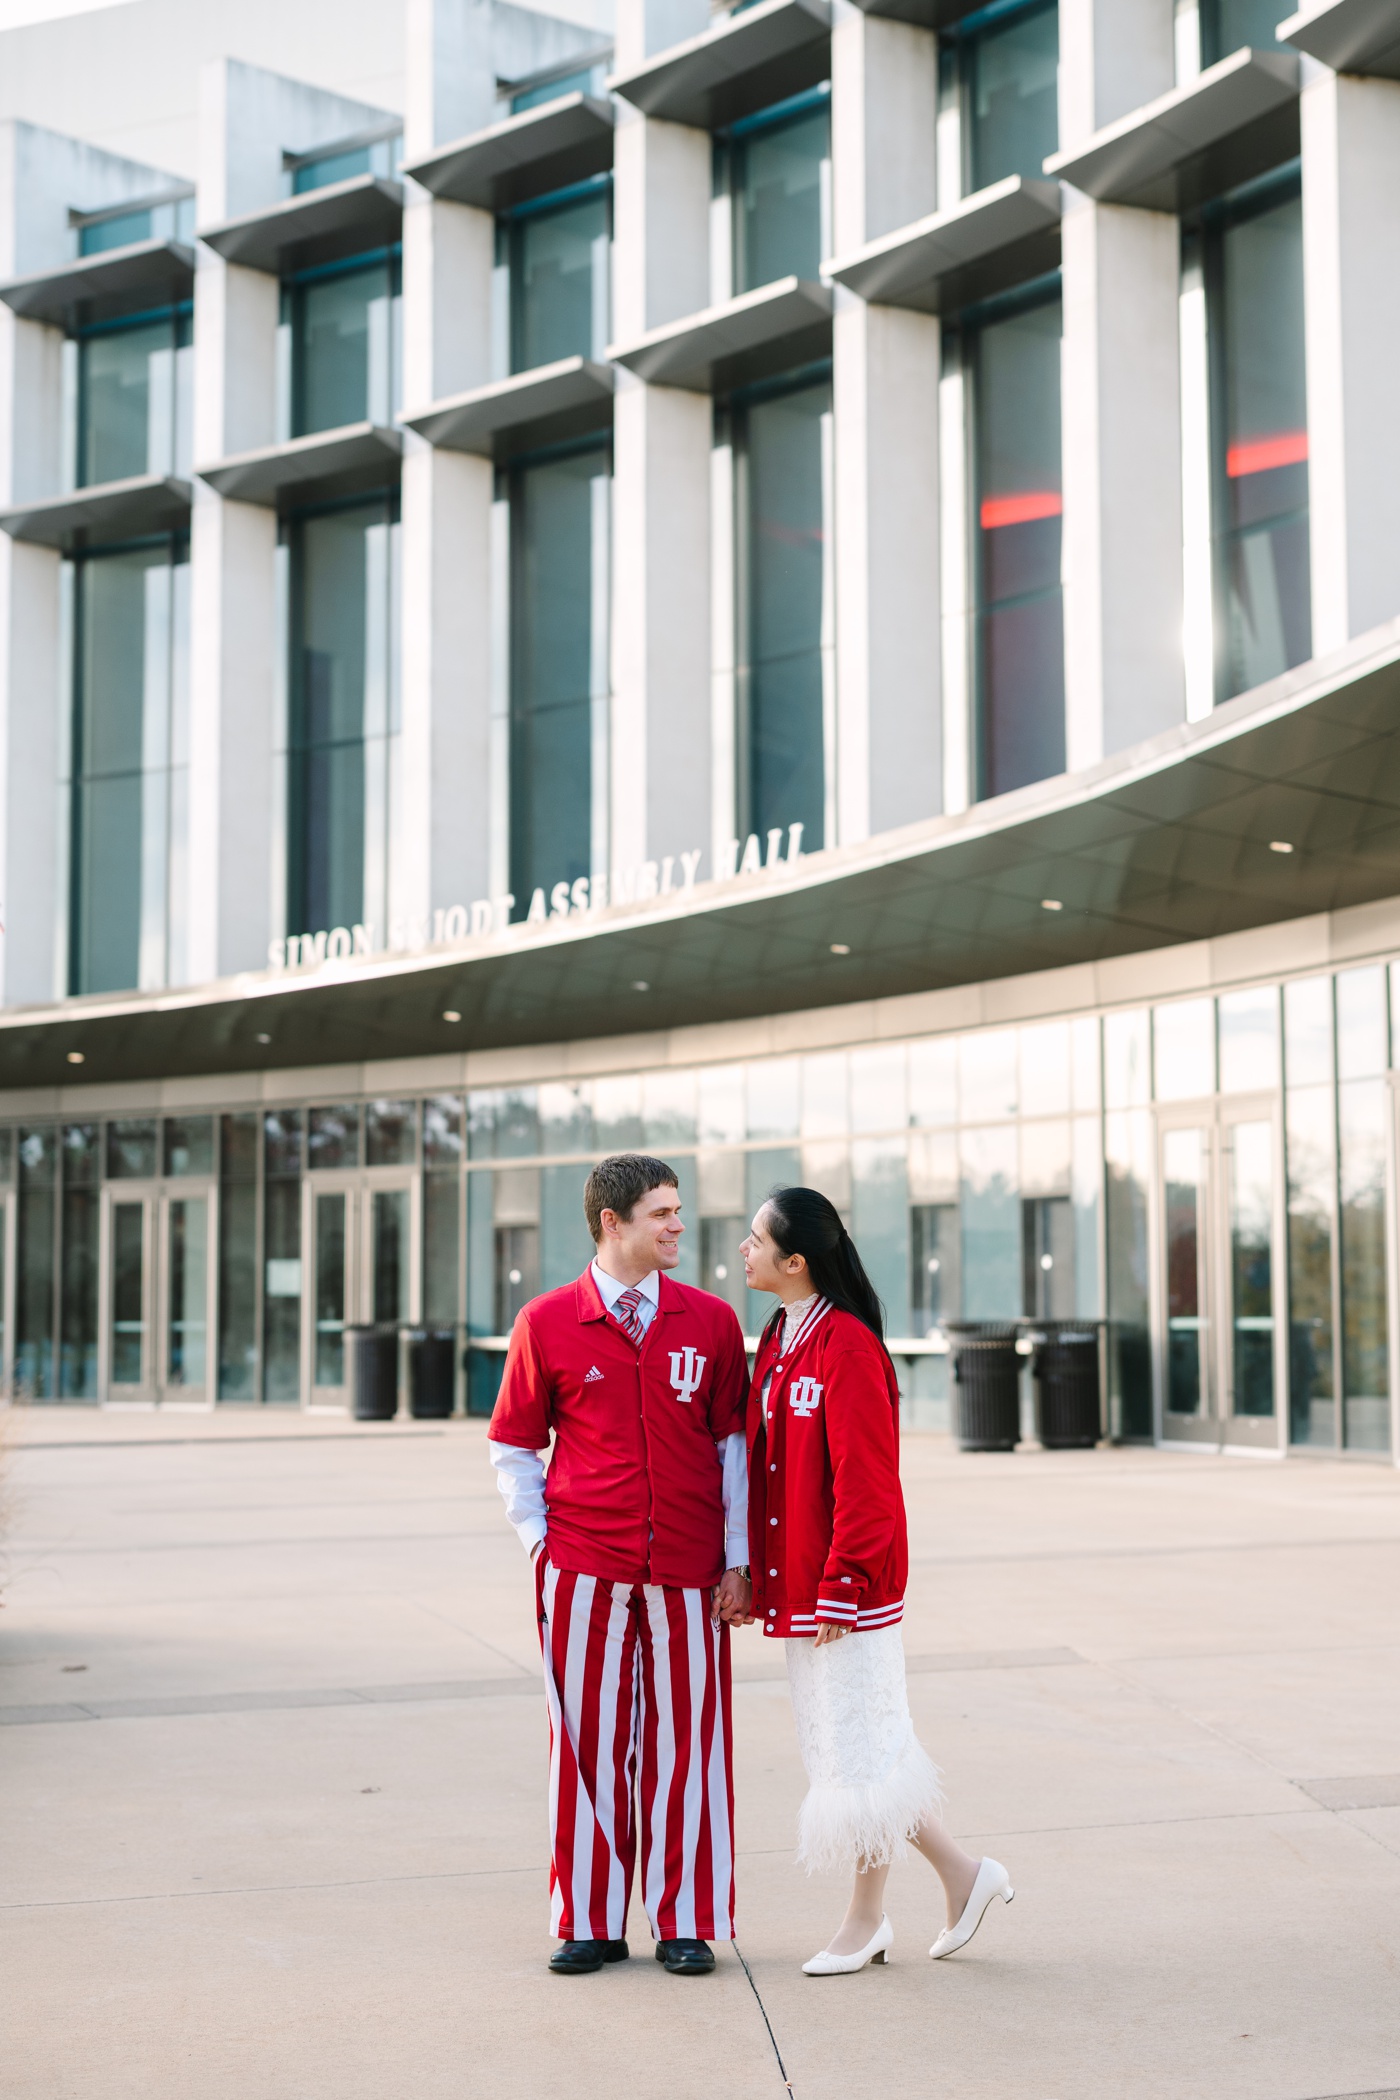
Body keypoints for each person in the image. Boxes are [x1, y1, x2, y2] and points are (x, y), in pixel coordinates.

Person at [488, 1154, 752, 1978]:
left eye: (678, 1211)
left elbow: (733, 1452)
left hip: (688, 1572)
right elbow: (513, 1447)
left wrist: (738, 1560)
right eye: (662, 1213)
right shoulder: (546, 1321)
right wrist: (542, 1545)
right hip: (581, 1572)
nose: (678, 1226)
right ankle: (591, 1920)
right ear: (613, 1222)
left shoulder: (709, 1323)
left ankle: (686, 1920)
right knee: (585, 1748)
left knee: (689, 1751)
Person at [741, 1186, 1014, 1975]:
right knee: (863, 1748)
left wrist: (845, 1581)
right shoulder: (780, 1335)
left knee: (858, 1758)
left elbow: (868, 1480)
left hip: (845, 1590)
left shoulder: (847, 1346)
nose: (744, 1251)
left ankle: (866, 1921)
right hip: (800, 1583)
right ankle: (966, 1877)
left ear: (796, 1262)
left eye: (756, 1240)